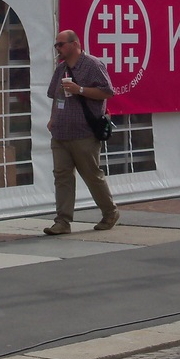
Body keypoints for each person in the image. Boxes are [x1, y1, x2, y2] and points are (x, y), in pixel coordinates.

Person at [44, 29, 119, 235]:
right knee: (62, 177)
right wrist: (52, 119)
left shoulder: (93, 65)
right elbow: (55, 96)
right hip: (60, 133)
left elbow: (107, 91)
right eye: (56, 45)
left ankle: (110, 212)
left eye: (61, 44)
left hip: (84, 132)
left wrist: (81, 90)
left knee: (92, 175)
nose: (58, 49)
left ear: (75, 44)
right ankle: (62, 221)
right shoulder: (61, 69)